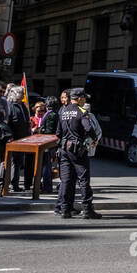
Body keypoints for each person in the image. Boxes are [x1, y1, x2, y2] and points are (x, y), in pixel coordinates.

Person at [55, 88, 100, 218]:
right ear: (79, 98)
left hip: (64, 149)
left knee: (66, 180)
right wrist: (94, 139)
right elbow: (89, 128)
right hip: (77, 150)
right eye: (84, 98)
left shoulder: (63, 111)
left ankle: (65, 209)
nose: (85, 100)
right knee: (84, 179)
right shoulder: (81, 111)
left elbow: (58, 133)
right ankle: (87, 209)